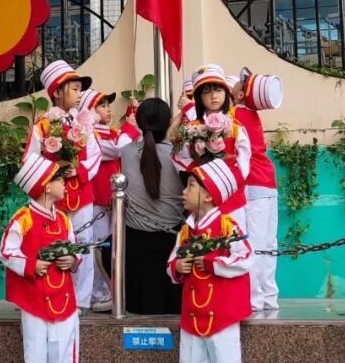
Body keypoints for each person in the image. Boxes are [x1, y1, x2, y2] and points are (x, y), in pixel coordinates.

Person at [167, 159, 253, 363]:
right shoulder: (185, 231)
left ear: (207, 194)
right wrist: (177, 267)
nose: (184, 191)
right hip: (193, 310)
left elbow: (245, 257)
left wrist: (212, 262)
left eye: (191, 186)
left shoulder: (227, 225)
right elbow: (173, 261)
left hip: (222, 310)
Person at [0, 155, 82, 363]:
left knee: (63, 359)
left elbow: (75, 250)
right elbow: (7, 252)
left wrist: (72, 260)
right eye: (60, 180)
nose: (65, 184)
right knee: (35, 358)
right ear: (46, 186)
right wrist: (32, 265)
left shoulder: (64, 219)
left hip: (63, 299)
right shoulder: (22, 218)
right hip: (33, 300)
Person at [23, 60, 101, 311]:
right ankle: (52, 295)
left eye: (80, 89)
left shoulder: (84, 123)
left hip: (81, 193)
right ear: (57, 92)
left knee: (82, 244)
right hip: (52, 198)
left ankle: (80, 301)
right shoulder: (42, 126)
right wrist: (52, 173)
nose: (79, 94)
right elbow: (29, 161)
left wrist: (78, 170)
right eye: (74, 89)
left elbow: (95, 155)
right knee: (50, 244)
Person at [117, 98, 186, 315]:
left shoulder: (127, 153)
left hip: (135, 243)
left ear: (139, 122)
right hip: (172, 243)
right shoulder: (179, 155)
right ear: (168, 123)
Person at [78, 88, 140, 312]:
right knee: (98, 246)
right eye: (101, 106)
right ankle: (98, 293)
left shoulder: (111, 131)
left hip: (114, 199)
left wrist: (132, 116)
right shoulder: (89, 134)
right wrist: (130, 127)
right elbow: (117, 149)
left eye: (107, 105)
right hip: (98, 199)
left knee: (113, 245)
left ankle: (111, 289)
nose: (108, 109)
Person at [230, 70, 284, 311]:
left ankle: (254, 299)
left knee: (254, 243)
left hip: (252, 183)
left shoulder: (235, 114)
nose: (231, 87)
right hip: (268, 181)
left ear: (241, 95)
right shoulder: (252, 115)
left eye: (236, 85)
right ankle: (269, 296)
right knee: (269, 244)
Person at [172, 64, 251, 215]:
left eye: (218, 90)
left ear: (226, 93)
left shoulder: (236, 126)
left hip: (232, 197)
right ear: (199, 97)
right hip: (202, 198)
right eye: (207, 92)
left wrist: (226, 182)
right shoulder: (191, 128)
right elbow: (179, 157)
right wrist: (200, 175)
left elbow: (244, 161)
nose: (213, 96)